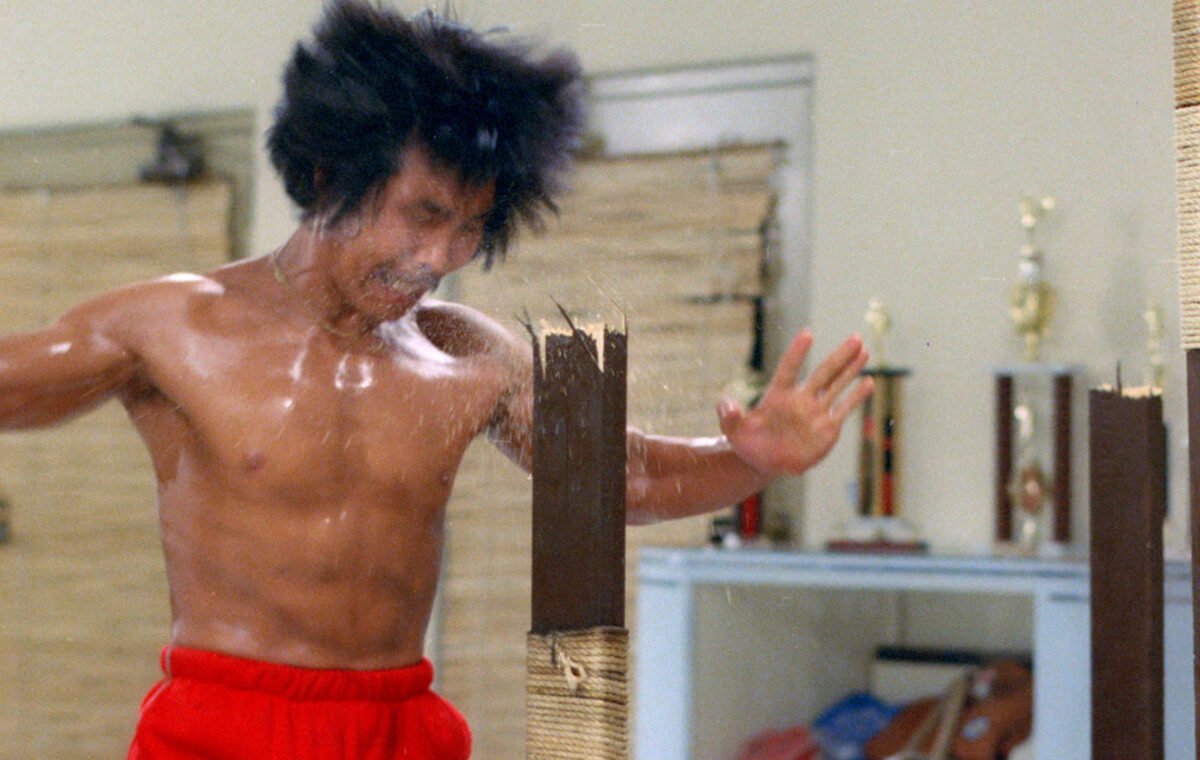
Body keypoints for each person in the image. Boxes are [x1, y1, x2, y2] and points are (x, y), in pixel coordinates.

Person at [0, 3, 873, 758]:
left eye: (469, 227)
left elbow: (626, 479)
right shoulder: (173, 325)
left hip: (401, 723)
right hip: (228, 720)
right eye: (422, 215)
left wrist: (752, 459)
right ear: (329, 176)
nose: (440, 257)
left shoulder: (469, 352)